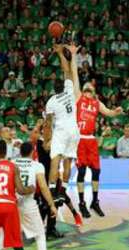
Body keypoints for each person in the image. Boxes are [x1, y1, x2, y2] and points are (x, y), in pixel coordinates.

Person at [66, 44, 123, 218]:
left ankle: (95, 201)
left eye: (89, 89)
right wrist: (74, 56)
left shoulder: (97, 103)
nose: (87, 91)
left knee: (96, 171)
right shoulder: (78, 99)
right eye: (85, 89)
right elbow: (75, 75)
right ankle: (82, 203)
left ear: (93, 91)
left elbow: (109, 113)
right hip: (80, 139)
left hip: (91, 139)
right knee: (82, 171)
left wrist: (116, 112)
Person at [44, 45, 80, 204]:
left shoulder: (51, 102)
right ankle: (63, 191)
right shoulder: (69, 90)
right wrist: (61, 54)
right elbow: (67, 70)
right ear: (63, 86)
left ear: (53, 89)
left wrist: (47, 140)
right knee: (68, 162)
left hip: (61, 131)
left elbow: (48, 124)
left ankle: (52, 192)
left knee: (55, 161)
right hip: (74, 130)